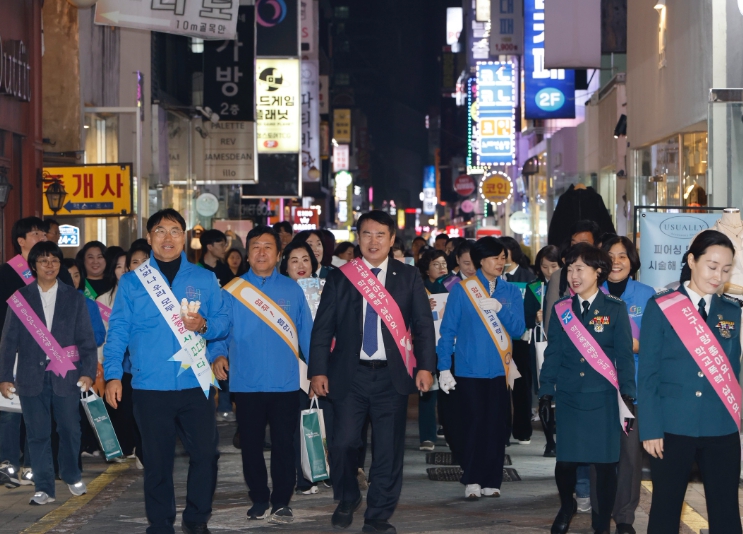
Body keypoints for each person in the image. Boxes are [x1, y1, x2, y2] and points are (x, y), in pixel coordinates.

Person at [104, 208, 230, 534]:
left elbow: (222, 323)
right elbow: (118, 331)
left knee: (206, 455)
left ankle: (196, 519)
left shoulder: (204, 279)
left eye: (175, 230)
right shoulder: (132, 282)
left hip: (195, 383)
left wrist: (205, 326)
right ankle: (160, 524)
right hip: (150, 386)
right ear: (149, 238)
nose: (168, 237)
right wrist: (113, 374)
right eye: (160, 231)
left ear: (184, 237)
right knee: (157, 462)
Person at [309, 210, 436, 534]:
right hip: (349, 376)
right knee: (343, 444)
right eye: (367, 234)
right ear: (358, 238)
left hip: (391, 376)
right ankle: (347, 496)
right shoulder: (341, 276)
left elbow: (423, 325)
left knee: (388, 451)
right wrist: (317, 371)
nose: (374, 241)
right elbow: (323, 328)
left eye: (381, 235)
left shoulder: (408, 276)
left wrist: (425, 366)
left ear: (392, 240)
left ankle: (377, 515)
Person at [638, 230, 742, 534]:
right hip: (672, 426)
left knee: (726, 511)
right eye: (712, 266)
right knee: (665, 510)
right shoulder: (661, 306)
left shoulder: (731, 311)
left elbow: (733, 371)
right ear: (692, 260)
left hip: (720, 425)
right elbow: (648, 373)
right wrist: (651, 428)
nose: (718, 276)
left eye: (726, 269)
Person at [212, 226, 313, 525]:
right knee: (251, 445)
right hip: (246, 383)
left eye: (268, 246)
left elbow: (307, 335)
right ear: (247, 254)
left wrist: (317, 371)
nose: (261, 252)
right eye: (255, 246)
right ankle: (258, 498)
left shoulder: (292, 290)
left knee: (284, 444)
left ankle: (281, 501)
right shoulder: (232, 290)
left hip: (286, 383)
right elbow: (219, 331)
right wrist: (217, 354)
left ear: (278, 254)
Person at [538, 243, 635, 534]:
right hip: (569, 397)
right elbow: (553, 353)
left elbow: (624, 357)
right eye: (569, 269)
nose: (573, 275)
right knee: (565, 463)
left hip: (603, 399)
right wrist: (546, 391)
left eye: (579, 268)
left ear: (598, 271)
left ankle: (601, 523)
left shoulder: (615, 309)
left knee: (605, 466)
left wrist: (628, 395)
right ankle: (566, 506)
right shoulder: (561, 309)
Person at [0, 241, 97, 505]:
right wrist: (5, 377)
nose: (49, 265)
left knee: (70, 429)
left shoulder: (74, 298)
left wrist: (88, 372)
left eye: (54, 260)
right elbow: (8, 341)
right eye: (43, 261)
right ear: (33, 266)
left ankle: (71, 474)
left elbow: (86, 340)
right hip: (30, 377)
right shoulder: (20, 299)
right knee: (37, 433)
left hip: (66, 376)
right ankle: (43, 487)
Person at [437, 237, 525, 500]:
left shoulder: (510, 292)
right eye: (495, 258)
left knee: (496, 426)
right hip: (468, 371)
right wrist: (443, 368)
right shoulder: (463, 291)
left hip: (500, 370)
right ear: (481, 261)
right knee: (472, 424)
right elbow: (447, 331)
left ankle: (492, 479)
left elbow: (519, 330)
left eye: (503, 258)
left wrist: (500, 310)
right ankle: (472, 477)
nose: (500, 263)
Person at [597, 235, 655, 534]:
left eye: (622, 255)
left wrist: (632, 345)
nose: (616, 262)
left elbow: (656, 344)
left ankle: (624, 517)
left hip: (632, 389)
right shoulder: (591, 292)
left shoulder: (647, 295)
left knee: (630, 455)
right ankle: (599, 513)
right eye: (610, 255)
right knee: (598, 453)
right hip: (597, 387)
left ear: (632, 261)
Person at [0, 217, 53, 489]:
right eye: (35, 234)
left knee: (38, 410)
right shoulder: (5, 273)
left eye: (44, 233)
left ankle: (33, 466)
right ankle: (7, 464)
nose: (42, 237)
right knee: (9, 410)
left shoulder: (54, 270)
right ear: (20, 241)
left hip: (45, 353)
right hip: (13, 350)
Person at [499, 236, 537, 446]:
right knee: (500, 387)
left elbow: (533, 308)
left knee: (521, 386)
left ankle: (523, 430)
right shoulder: (493, 278)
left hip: (521, 339)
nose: (500, 258)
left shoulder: (528, 277)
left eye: (503, 253)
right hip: (498, 339)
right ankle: (502, 432)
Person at [524, 245, 560, 457]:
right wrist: (536, 318)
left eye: (553, 266)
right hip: (540, 344)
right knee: (545, 390)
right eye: (544, 267)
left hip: (565, 343)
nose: (549, 271)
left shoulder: (570, 284)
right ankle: (550, 442)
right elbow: (525, 318)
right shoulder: (534, 287)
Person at [416, 250, 453, 452]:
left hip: (448, 345)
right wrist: (422, 307)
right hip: (427, 346)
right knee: (427, 391)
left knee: (449, 392)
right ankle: (427, 436)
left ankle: (450, 432)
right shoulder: (419, 287)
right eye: (436, 264)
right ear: (427, 269)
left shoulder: (454, 285)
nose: (441, 268)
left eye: (444, 263)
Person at [544, 220, 602, 333]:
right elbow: (550, 326)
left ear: (597, 246)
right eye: (574, 243)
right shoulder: (559, 276)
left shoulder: (606, 274)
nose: (577, 248)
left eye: (584, 243)